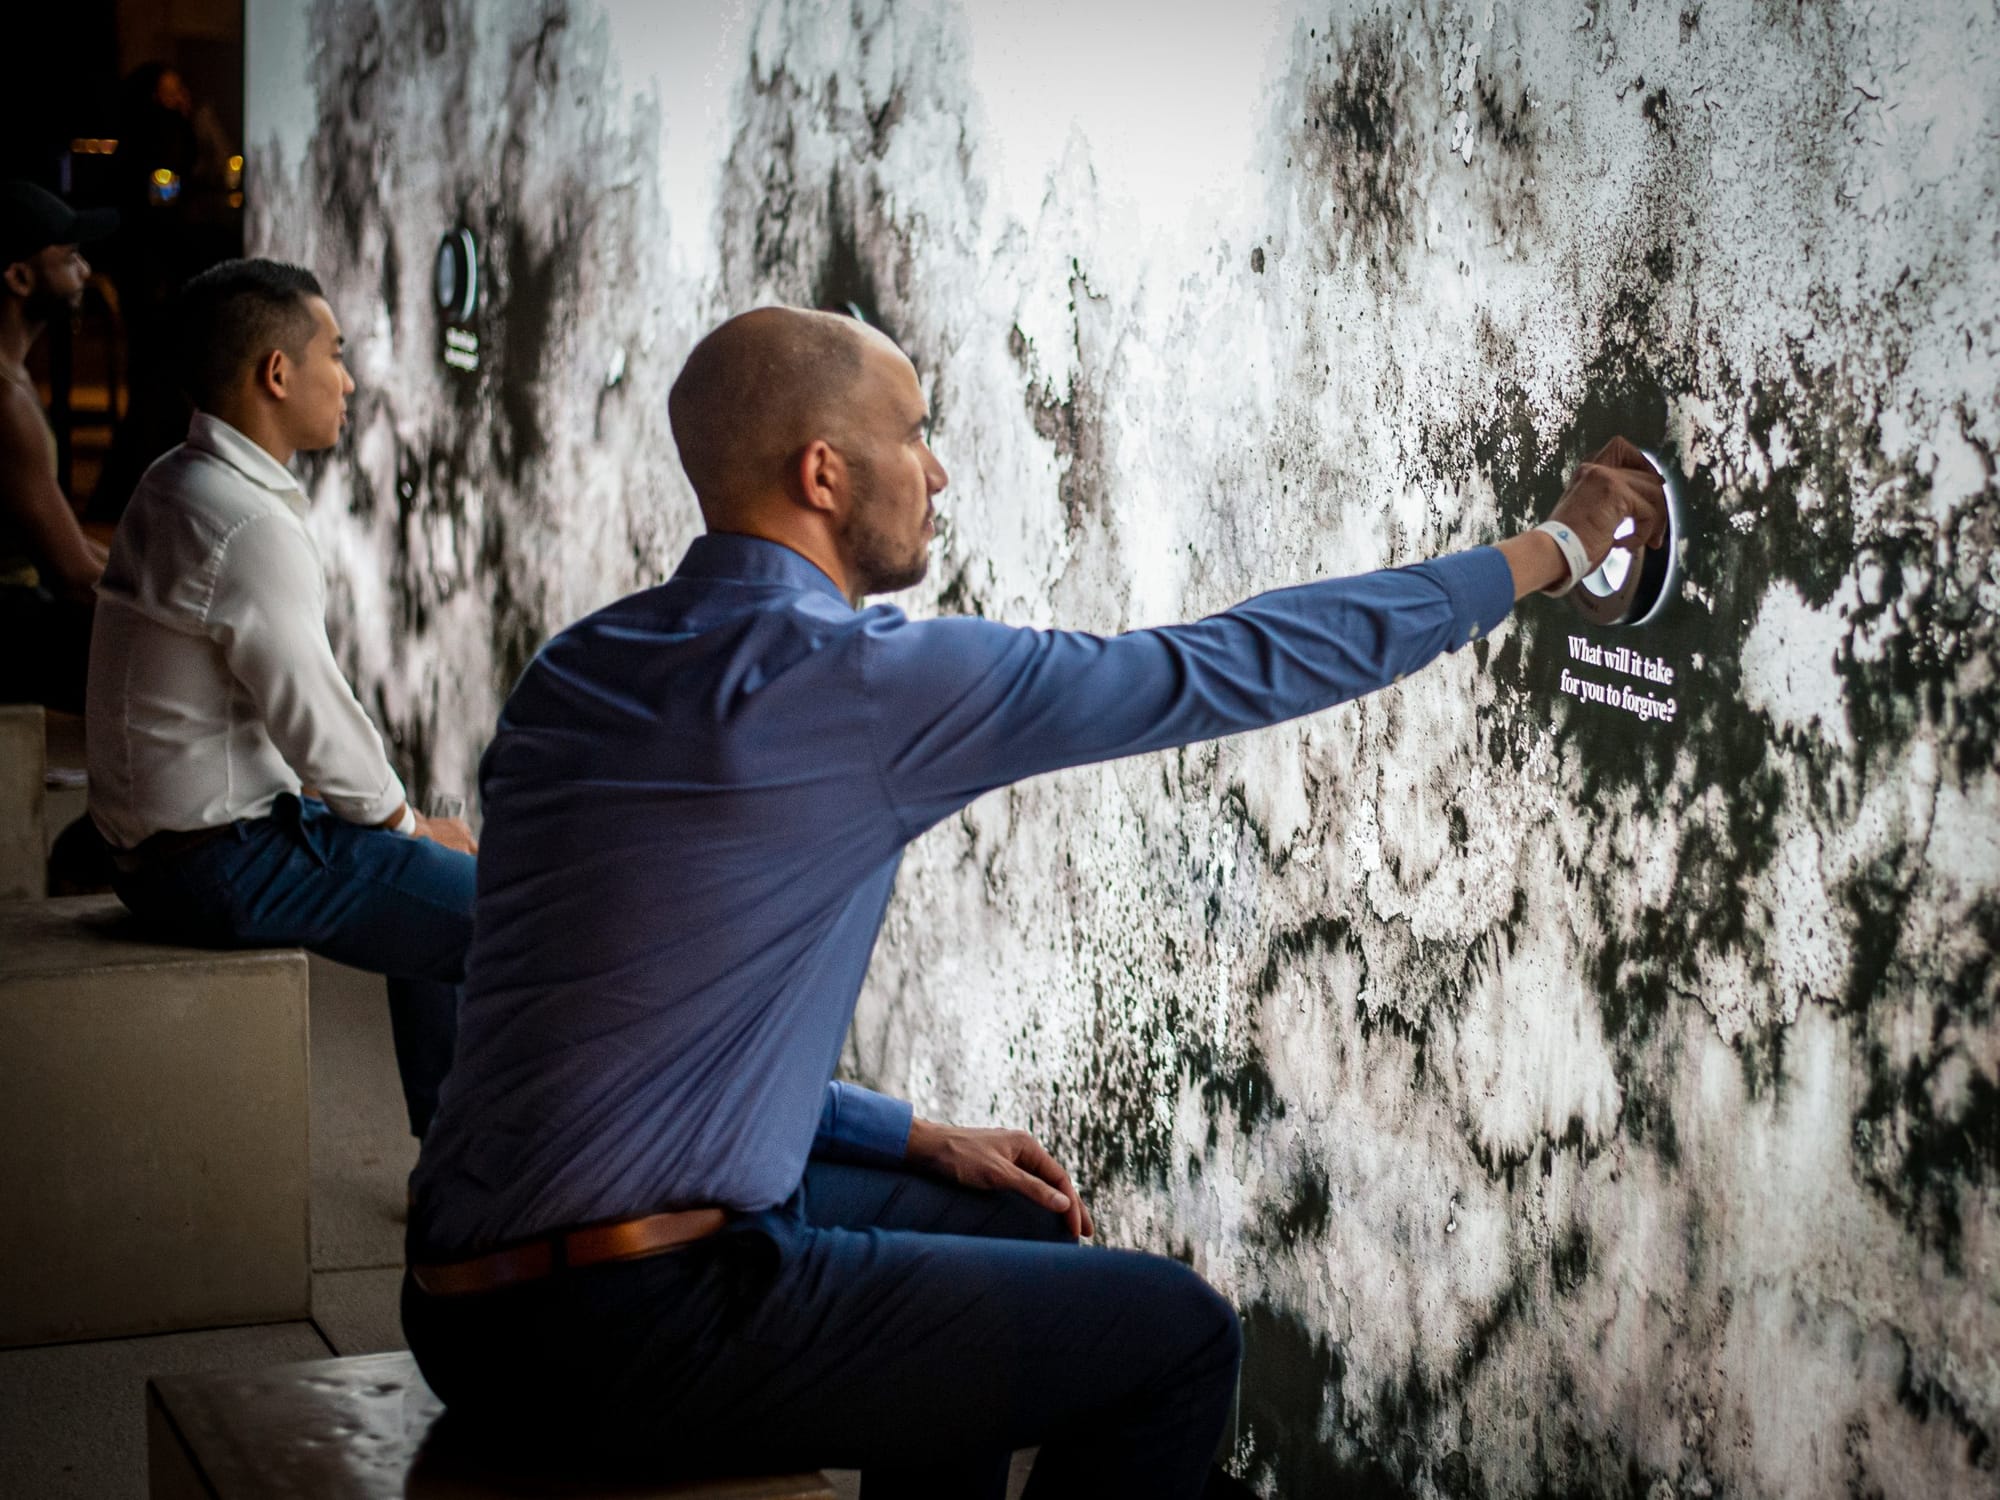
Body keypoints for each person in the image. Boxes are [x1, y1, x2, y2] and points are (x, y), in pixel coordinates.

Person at [402, 307, 1665, 1497]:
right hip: (628, 1327)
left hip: (463, 1305)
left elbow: (622, 1028)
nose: (937, 471)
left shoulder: (575, 670)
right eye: (913, 434)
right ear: (823, 474)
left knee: (1005, 1216)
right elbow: (1229, 666)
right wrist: (1548, 553)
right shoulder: (860, 685)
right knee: (1180, 1338)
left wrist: (909, 1135)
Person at [86, 258, 477, 1139]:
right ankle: (470, 1175)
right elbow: (317, 722)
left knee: (432, 889)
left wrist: (402, 830)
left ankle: (450, 1155)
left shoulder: (176, 479)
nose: (348, 380)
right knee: (489, 913)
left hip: (157, 850)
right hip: (212, 864)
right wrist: (410, 826)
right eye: (333, 354)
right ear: (276, 373)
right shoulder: (249, 523)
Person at [0, 180, 115, 712]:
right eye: (69, 258)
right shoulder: (5, 400)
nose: (85, 272)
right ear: (20, 277)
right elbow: (73, 574)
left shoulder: (14, 378)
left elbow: (73, 544)